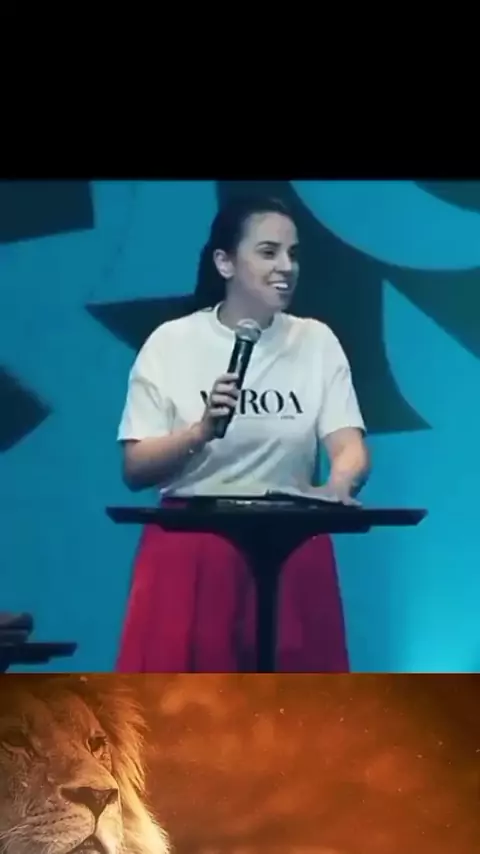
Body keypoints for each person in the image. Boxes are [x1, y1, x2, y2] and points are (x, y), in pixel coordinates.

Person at [116, 195, 370, 672]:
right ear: (225, 262)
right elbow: (135, 468)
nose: (286, 267)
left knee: (297, 708)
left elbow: (349, 446)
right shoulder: (172, 343)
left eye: (293, 254)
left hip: (291, 543)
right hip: (193, 546)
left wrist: (337, 485)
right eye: (269, 252)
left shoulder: (316, 342)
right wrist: (200, 432)